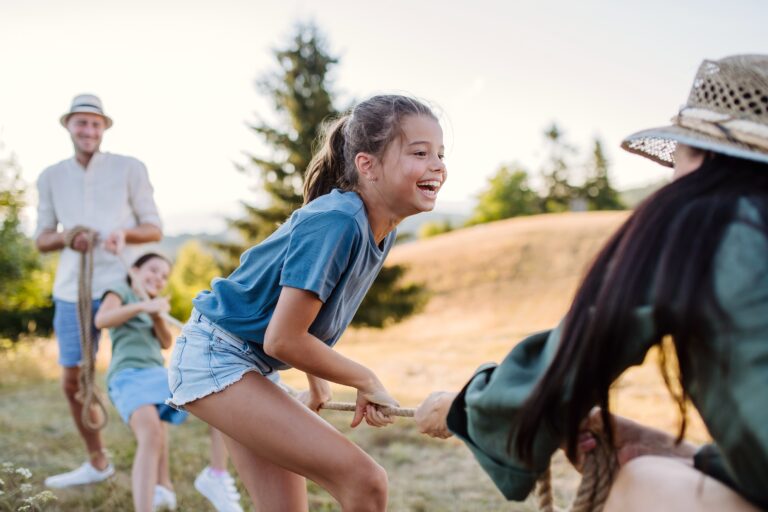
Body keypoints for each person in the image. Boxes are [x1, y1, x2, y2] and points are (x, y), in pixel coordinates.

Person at [415, 54, 768, 511]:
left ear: (698, 153)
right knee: (657, 463)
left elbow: (569, 360)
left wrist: (460, 408)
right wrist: (666, 445)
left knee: (641, 480)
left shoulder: (703, 220)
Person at [166, 94, 447, 511]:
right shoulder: (337, 221)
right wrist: (365, 379)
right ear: (366, 165)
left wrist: (317, 383)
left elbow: (306, 320)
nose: (438, 165)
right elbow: (283, 339)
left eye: (440, 154)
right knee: (366, 481)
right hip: (217, 358)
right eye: (420, 153)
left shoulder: (378, 228)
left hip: (247, 361)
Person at [35, 93, 163, 487]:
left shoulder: (129, 168)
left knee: (146, 373)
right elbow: (41, 239)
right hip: (73, 289)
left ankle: (161, 481)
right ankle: (97, 461)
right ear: (69, 126)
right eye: (81, 123)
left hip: (123, 285)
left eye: (95, 123)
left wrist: (122, 233)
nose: (88, 130)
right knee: (72, 380)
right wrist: (67, 238)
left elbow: (154, 228)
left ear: (103, 128)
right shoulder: (50, 176)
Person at [94, 253, 188, 511]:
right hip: (128, 374)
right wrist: (141, 307)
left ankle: (163, 485)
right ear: (134, 269)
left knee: (159, 429)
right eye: (153, 270)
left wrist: (156, 314)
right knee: (151, 432)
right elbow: (101, 320)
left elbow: (165, 342)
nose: (158, 278)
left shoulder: (152, 304)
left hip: (156, 372)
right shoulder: (120, 290)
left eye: (164, 276)